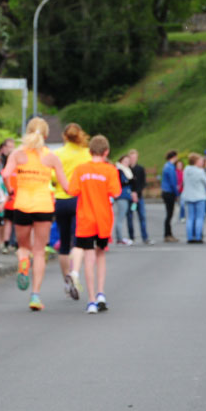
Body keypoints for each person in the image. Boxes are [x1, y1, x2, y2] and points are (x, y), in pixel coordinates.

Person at [2, 117, 69, 312]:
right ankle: (35, 295)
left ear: (28, 132)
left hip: (22, 204)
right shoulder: (51, 157)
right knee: (39, 251)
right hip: (43, 206)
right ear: (46, 135)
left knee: (24, 247)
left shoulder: (18, 153)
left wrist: (10, 190)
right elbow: (66, 186)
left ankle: (23, 262)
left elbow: (5, 174)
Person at [67, 134, 120, 313]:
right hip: (103, 219)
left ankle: (91, 301)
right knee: (101, 255)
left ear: (90, 152)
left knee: (88, 258)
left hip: (85, 219)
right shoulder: (110, 170)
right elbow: (116, 192)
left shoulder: (81, 169)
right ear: (106, 152)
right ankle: (101, 294)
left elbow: (72, 190)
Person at [52, 122, 92, 301]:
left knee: (64, 243)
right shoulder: (86, 154)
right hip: (79, 200)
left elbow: (53, 177)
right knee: (78, 242)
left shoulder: (58, 153)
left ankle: (66, 282)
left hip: (61, 199)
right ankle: (75, 274)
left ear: (64, 136)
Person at [182, 153, 206, 243]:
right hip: (200, 196)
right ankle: (198, 237)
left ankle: (190, 237)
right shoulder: (200, 171)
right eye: (200, 161)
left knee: (190, 218)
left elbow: (184, 181)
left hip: (189, 196)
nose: (202, 162)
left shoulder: (186, 170)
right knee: (199, 218)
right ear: (195, 161)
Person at [127, 150, 151, 244]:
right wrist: (132, 193)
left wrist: (137, 193)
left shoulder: (140, 169)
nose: (133, 159)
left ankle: (145, 237)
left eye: (134, 157)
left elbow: (143, 183)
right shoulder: (127, 169)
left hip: (139, 197)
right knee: (130, 217)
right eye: (131, 157)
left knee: (142, 216)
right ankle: (131, 237)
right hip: (130, 197)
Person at [113, 154, 134, 245]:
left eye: (128, 161)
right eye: (125, 161)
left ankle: (121, 237)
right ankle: (119, 238)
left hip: (127, 195)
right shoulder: (119, 170)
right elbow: (120, 183)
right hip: (122, 196)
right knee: (120, 218)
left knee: (124, 217)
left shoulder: (127, 170)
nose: (127, 163)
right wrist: (128, 182)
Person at [160, 150, 179, 242]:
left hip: (165, 191)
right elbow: (173, 182)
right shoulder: (170, 167)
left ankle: (168, 234)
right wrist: (176, 193)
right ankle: (168, 234)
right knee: (169, 214)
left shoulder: (166, 166)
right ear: (174, 157)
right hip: (169, 192)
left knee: (169, 214)